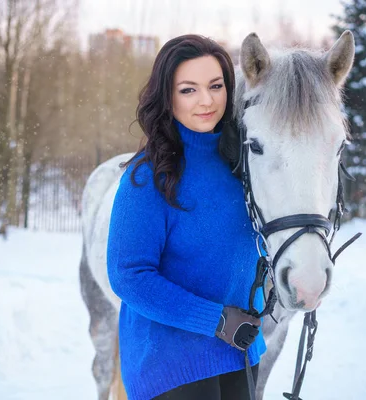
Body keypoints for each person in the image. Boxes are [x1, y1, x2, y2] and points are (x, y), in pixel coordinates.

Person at [107, 34, 266, 400]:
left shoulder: (242, 164)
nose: (207, 101)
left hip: (239, 352)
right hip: (171, 364)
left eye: (215, 85)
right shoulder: (149, 176)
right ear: (167, 96)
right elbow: (128, 276)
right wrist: (217, 321)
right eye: (188, 90)